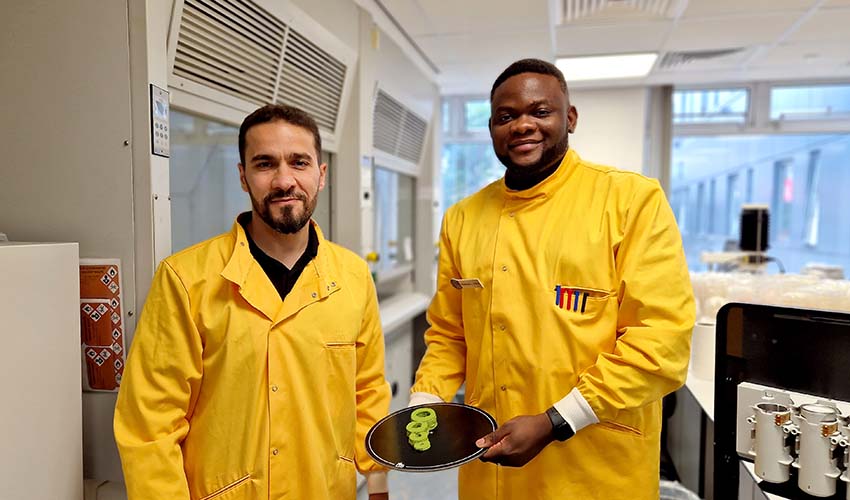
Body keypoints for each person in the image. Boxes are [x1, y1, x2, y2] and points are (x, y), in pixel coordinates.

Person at [409, 58, 695, 499]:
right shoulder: (462, 219)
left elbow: (662, 342)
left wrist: (556, 421)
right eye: (507, 116)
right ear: (491, 128)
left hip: (594, 467)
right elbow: (450, 333)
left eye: (540, 112)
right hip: (493, 465)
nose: (522, 125)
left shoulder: (631, 201)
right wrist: (424, 403)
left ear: (570, 118)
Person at [114, 104, 391, 500]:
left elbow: (368, 391)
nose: (284, 181)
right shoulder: (186, 279)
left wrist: (377, 482)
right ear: (243, 176)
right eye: (265, 164)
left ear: (321, 174)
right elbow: (150, 427)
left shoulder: (353, 276)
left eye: (299, 162)